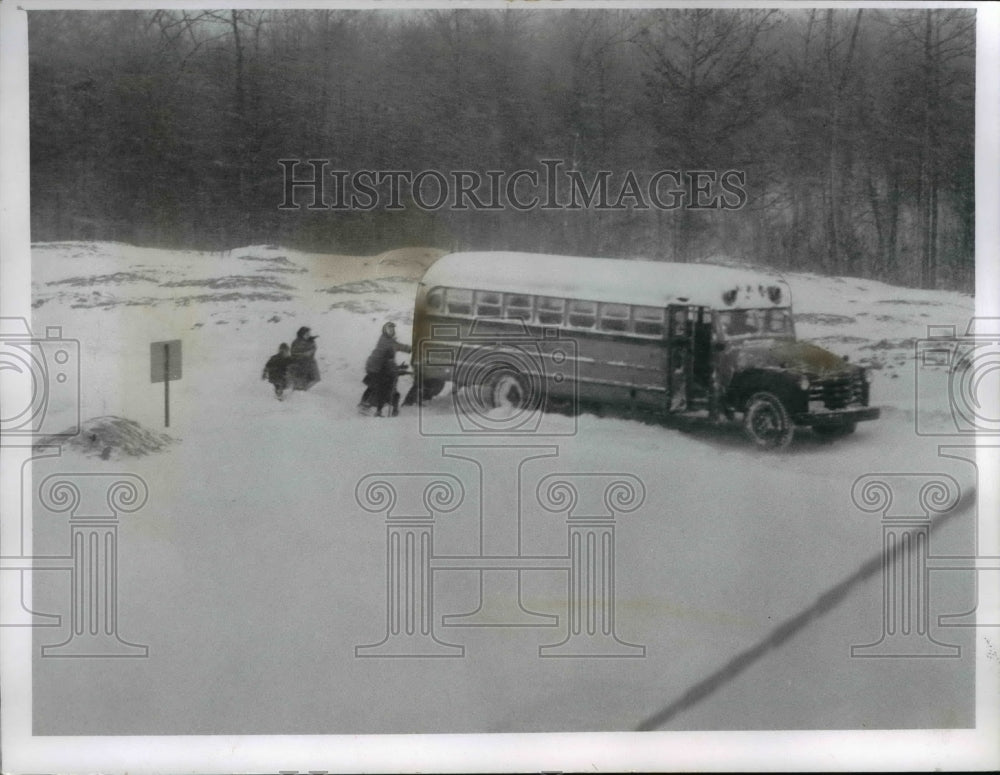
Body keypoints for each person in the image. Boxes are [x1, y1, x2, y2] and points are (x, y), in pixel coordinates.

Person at [361, 321, 412, 417]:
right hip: (375, 367)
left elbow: (396, 348)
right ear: (385, 331)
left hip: (378, 367)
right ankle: (367, 404)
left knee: (375, 386)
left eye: (393, 329)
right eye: (389, 329)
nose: (392, 331)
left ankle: (366, 403)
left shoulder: (388, 341)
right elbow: (396, 347)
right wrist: (410, 349)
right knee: (377, 386)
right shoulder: (386, 341)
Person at [289, 326, 320, 390]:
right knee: (300, 382)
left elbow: (313, 349)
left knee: (315, 379)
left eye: (309, 334)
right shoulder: (296, 342)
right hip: (300, 365)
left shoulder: (310, 341)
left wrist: (311, 343)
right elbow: (294, 353)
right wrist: (304, 354)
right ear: (302, 334)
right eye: (307, 334)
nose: (309, 335)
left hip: (310, 364)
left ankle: (304, 390)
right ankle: (299, 393)